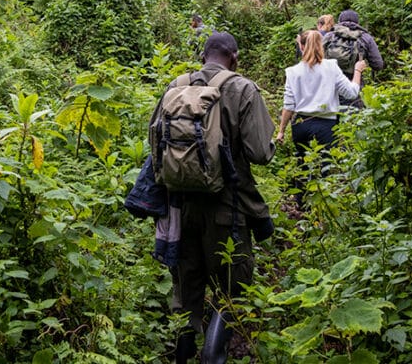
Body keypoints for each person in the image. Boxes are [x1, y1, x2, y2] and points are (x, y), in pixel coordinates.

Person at [149, 31, 276, 363]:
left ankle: (182, 356)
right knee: (233, 289)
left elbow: (155, 148)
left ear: (203, 56)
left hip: (179, 209)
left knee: (187, 290)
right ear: (234, 57)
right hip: (227, 210)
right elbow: (261, 152)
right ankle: (213, 356)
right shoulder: (242, 89)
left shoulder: (175, 86)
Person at [276, 30, 367, 203]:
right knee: (324, 167)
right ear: (322, 46)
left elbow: (288, 106)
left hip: (301, 123)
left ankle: (301, 204)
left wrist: (281, 131)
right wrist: (357, 70)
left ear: (301, 46)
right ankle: (320, 208)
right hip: (326, 125)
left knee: (302, 162)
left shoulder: (293, 72)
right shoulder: (331, 67)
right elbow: (351, 92)